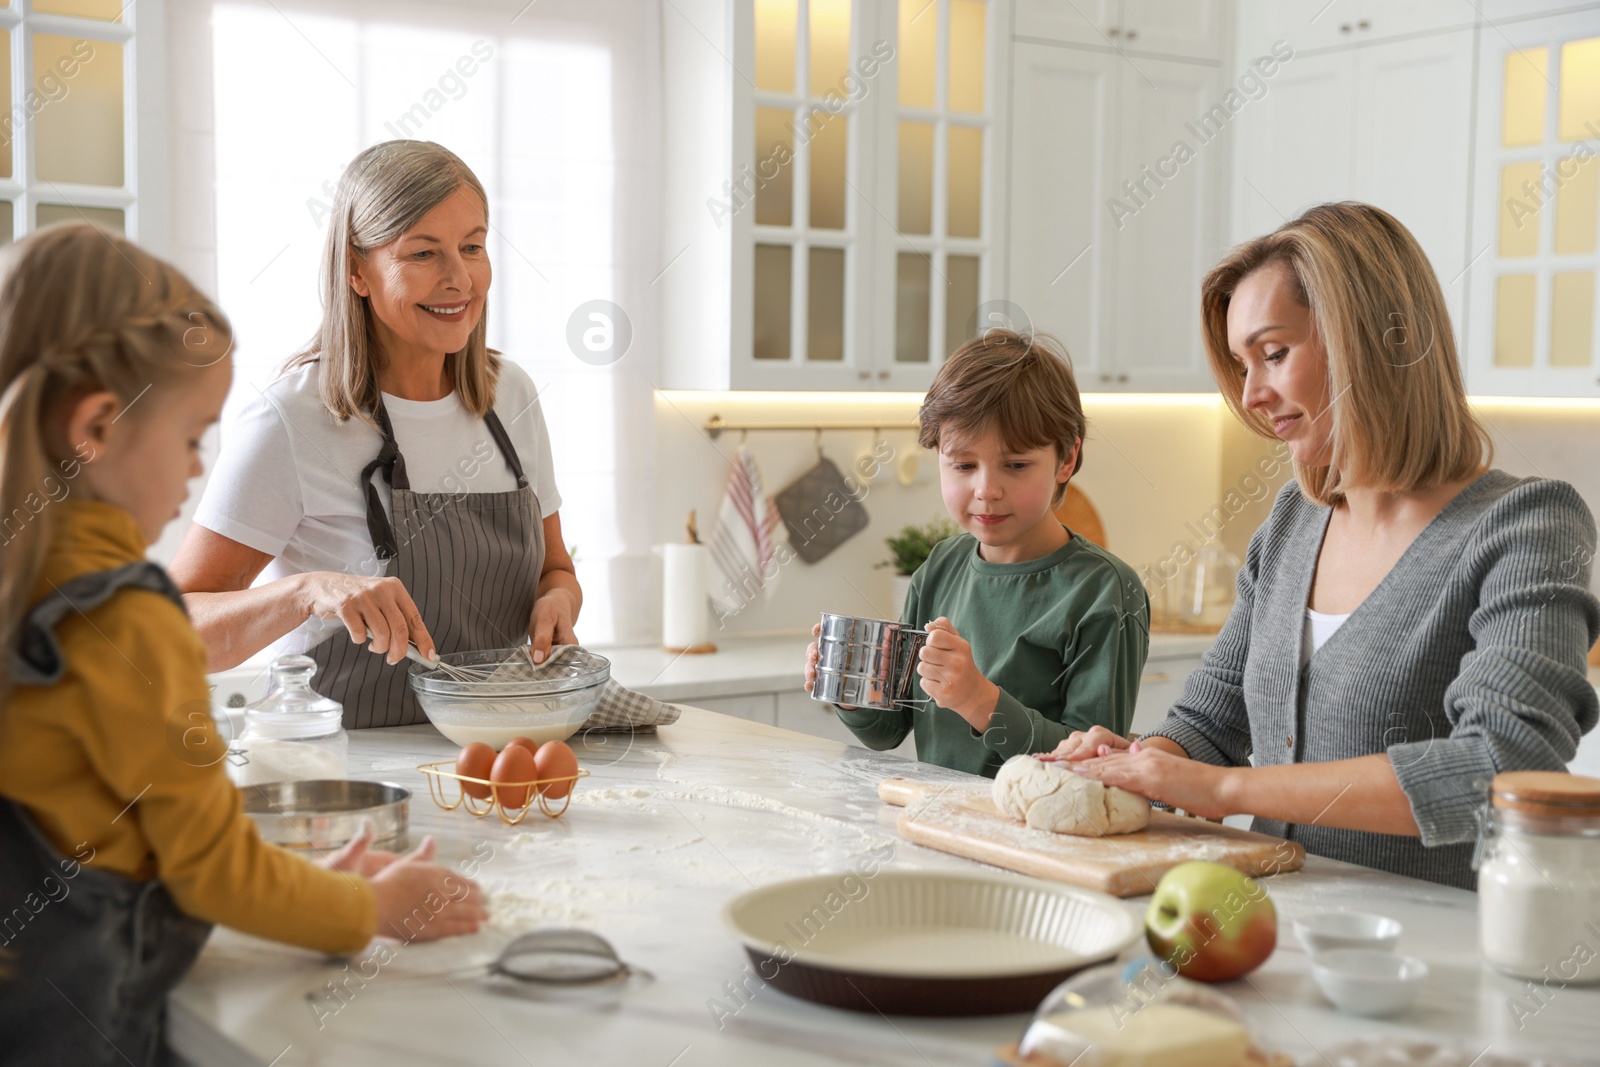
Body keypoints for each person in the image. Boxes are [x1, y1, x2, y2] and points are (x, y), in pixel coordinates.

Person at [0, 225, 486, 1066]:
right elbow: (215, 875)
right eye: (192, 436)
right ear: (96, 426)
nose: (198, 471)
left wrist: (323, 884)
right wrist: (373, 906)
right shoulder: (130, 620)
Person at [1050, 202, 1600, 890]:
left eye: (1273, 353)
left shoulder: (1526, 525)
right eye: (1241, 365)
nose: (1251, 394)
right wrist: (1135, 762)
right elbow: (1209, 719)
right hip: (1268, 923)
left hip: (1426, 956)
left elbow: (1498, 766)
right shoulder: (1293, 521)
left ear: (1368, 339)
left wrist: (1223, 790)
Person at [170, 140, 578, 729]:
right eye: (422, 253)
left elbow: (555, 569)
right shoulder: (292, 417)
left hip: (502, 748)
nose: (459, 278)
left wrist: (559, 600)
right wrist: (308, 592)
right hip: (347, 775)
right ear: (356, 271)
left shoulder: (508, 393)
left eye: (472, 247)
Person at [805, 329, 1150, 777]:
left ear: (1066, 459)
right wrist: (847, 686)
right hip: (939, 827)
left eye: (1017, 464)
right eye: (964, 465)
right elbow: (887, 730)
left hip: (1035, 840)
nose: (986, 490)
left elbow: (1093, 767)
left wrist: (979, 701)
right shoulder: (939, 569)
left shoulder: (1105, 592)